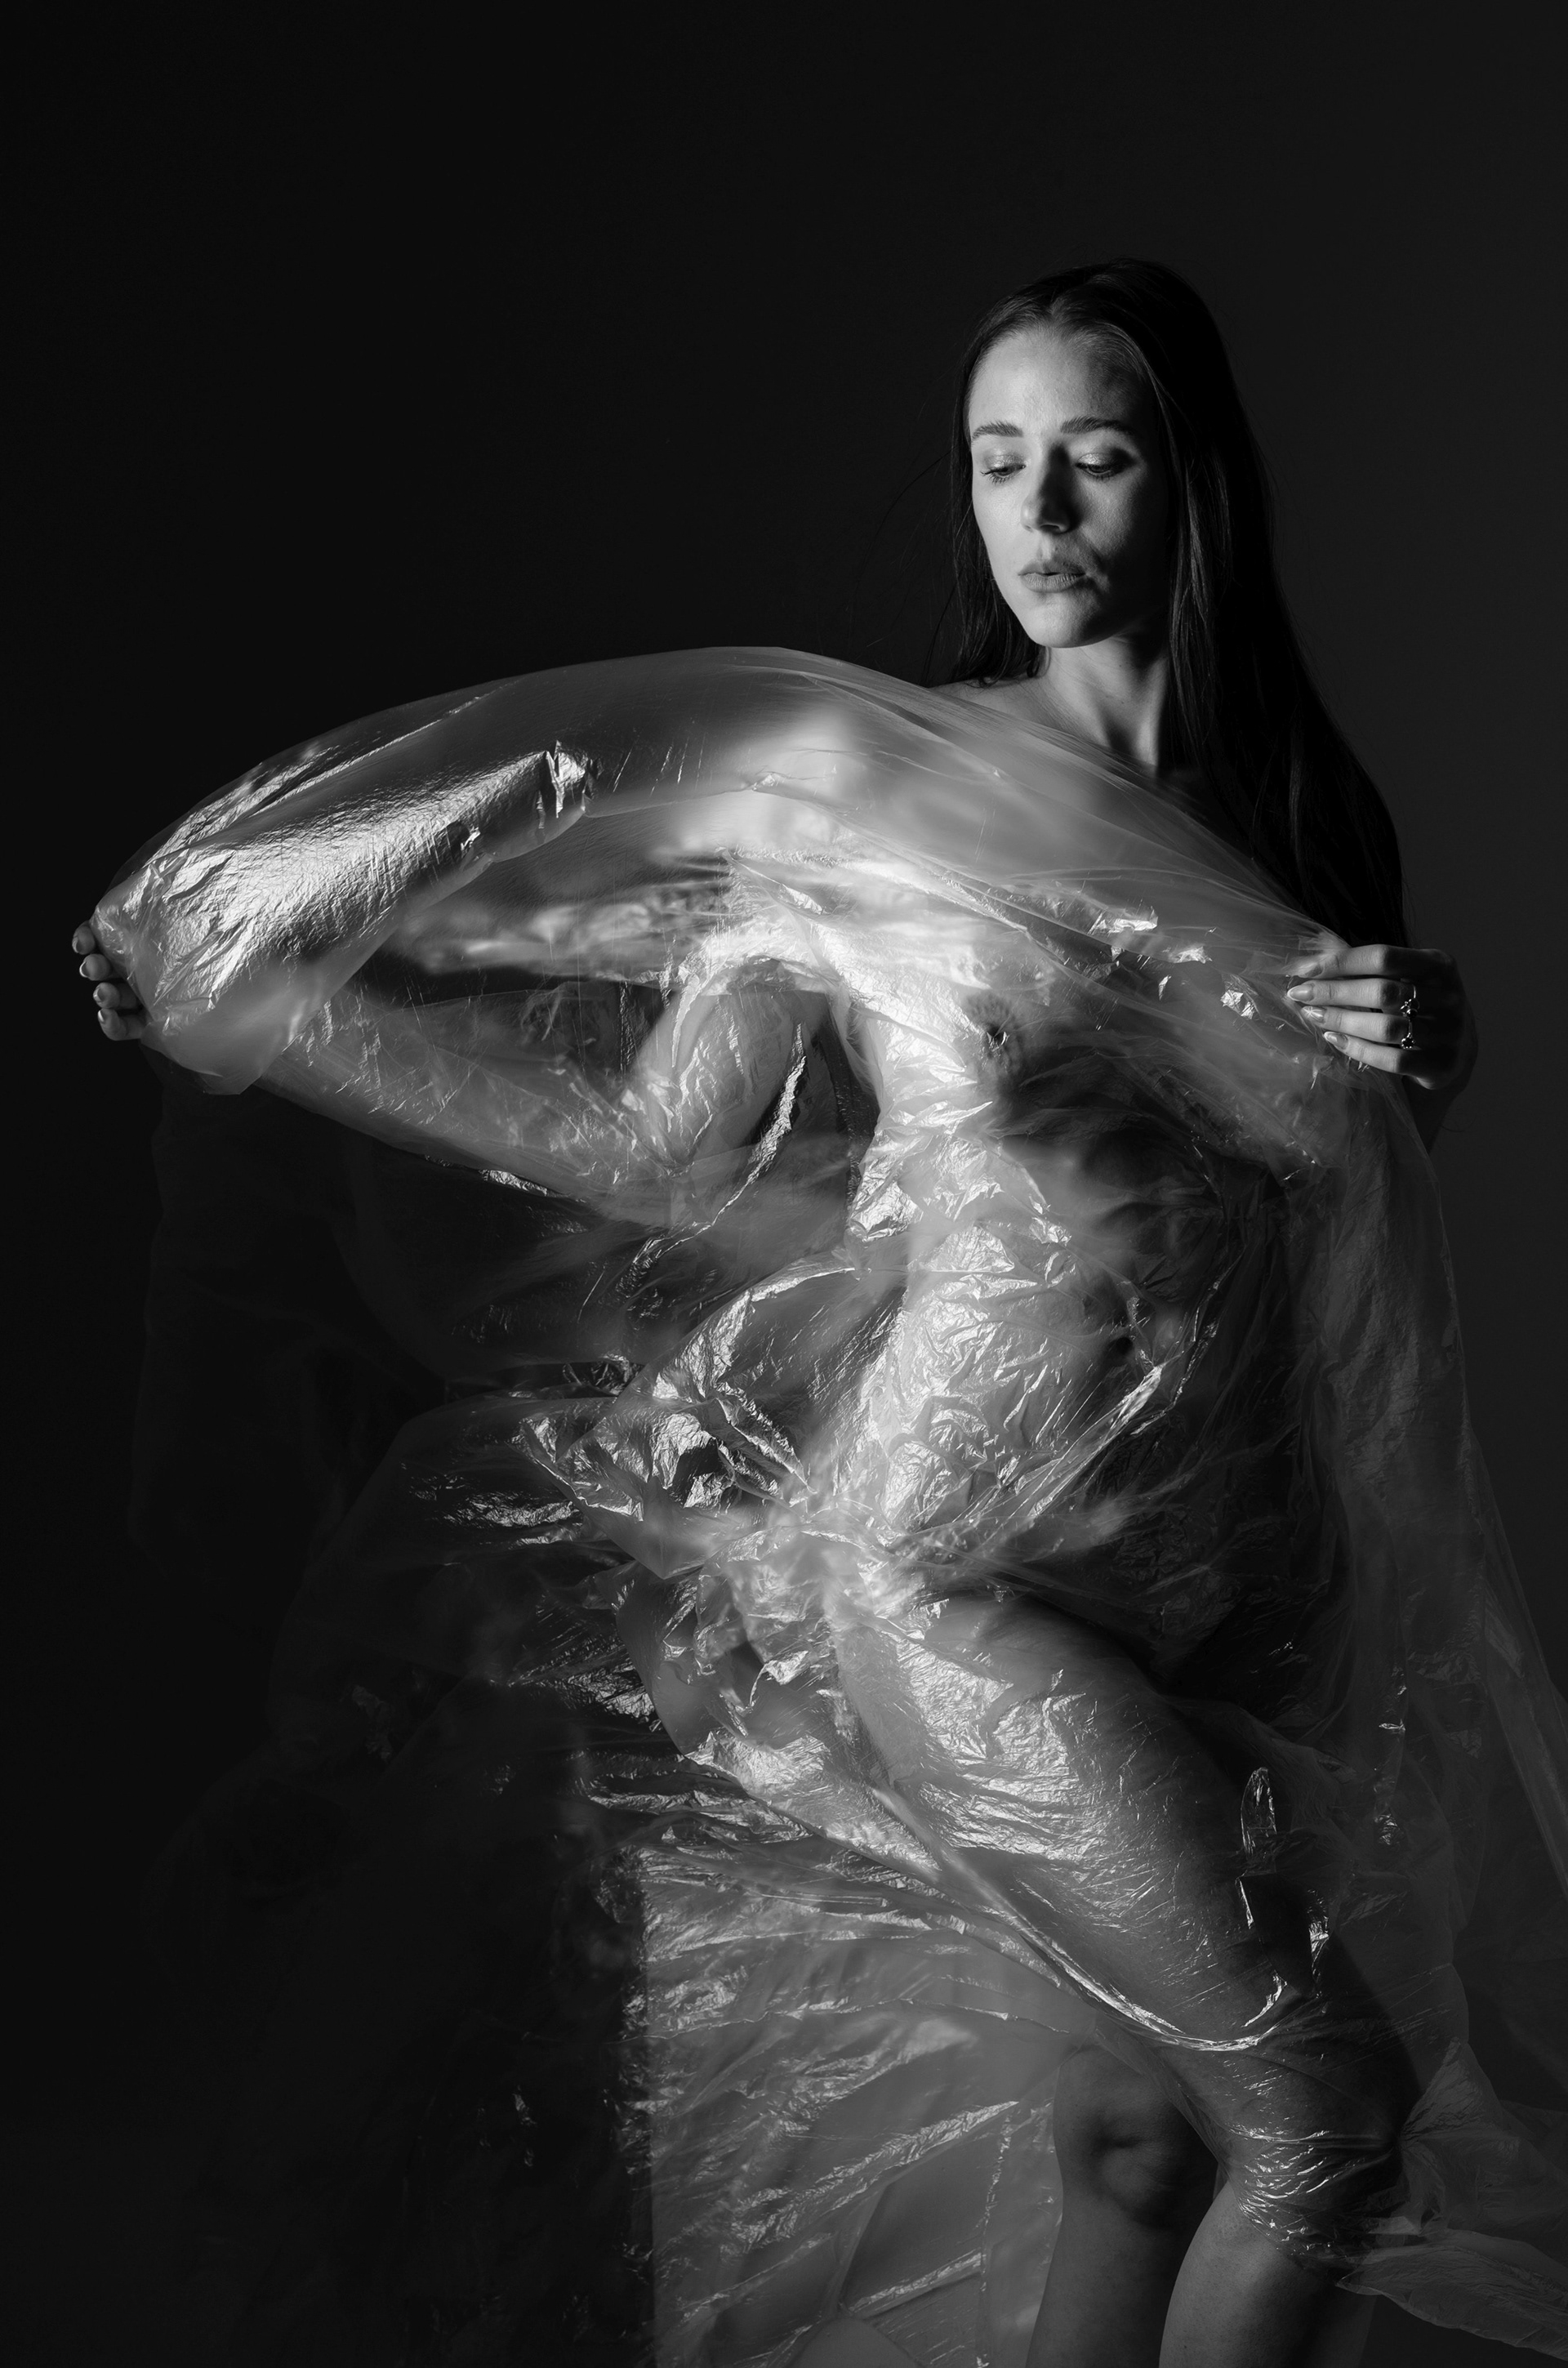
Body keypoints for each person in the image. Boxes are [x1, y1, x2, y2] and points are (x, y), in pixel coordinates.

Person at [74, 264, 1565, 2368]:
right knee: (1323, 2127)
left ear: (1194, 485)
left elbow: (1327, 1214)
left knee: (1144, 2141)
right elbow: (650, 1118)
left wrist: (1432, 1044)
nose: (1042, 512)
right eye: (997, 461)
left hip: (1248, 1577)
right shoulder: (868, 781)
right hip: (977, 1567)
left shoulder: (1300, 819)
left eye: (1097, 456)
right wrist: (256, 976)